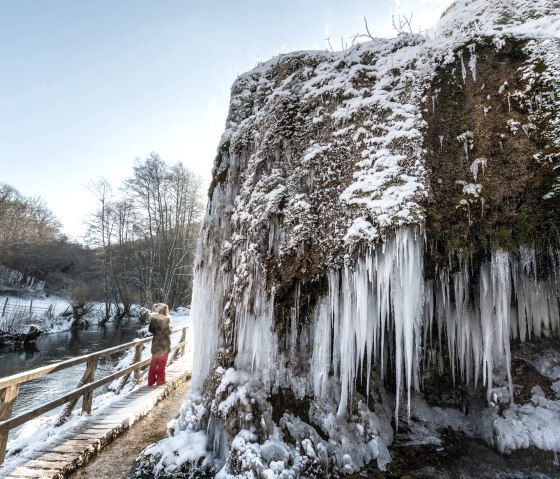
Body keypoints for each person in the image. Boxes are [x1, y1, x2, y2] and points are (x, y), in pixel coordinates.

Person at [148, 302, 172, 386]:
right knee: (162, 363)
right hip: (163, 345)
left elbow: (150, 330)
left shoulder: (153, 319)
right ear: (164, 310)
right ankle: (160, 380)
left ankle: (150, 381)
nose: (168, 311)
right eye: (167, 309)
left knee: (153, 363)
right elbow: (168, 332)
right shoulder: (166, 319)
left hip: (155, 344)